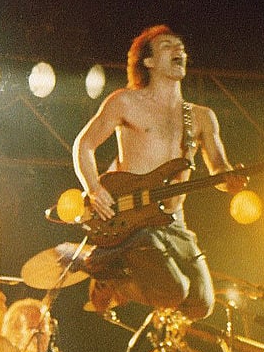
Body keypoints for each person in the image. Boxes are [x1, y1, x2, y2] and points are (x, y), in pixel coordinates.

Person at [60, 24, 245, 320]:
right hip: (132, 215)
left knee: (201, 306)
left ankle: (116, 279)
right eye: (167, 46)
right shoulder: (125, 102)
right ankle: (99, 262)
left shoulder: (201, 117)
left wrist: (231, 181)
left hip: (172, 218)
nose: (179, 51)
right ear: (148, 62)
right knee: (174, 291)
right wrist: (95, 190)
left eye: (181, 46)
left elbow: (219, 169)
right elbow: (83, 145)